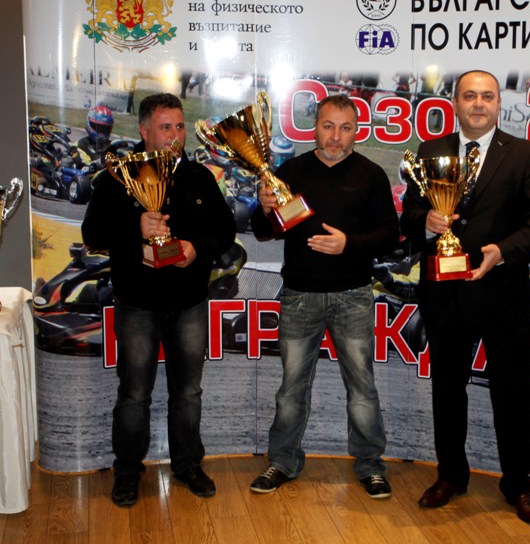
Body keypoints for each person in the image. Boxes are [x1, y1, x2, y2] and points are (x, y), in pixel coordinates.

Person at [400, 70, 530, 525]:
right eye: (469, 96)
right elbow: (409, 212)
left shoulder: (525, 154)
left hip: (503, 296)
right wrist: (425, 221)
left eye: (487, 96)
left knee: (513, 395)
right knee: (448, 392)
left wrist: (502, 251)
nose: (478, 104)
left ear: (498, 104)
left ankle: (518, 486)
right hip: (445, 294)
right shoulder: (431, 152)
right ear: (455, 102)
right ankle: (450, 475)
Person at [81, 93, 236, 507]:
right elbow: (92, 234)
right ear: (144, 130)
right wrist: (134, 227)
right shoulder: (116, 178)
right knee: (134, 393)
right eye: (166, 127)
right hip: (137, 303)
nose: (175, 136)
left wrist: (196, 248)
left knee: (188, 392)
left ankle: (187, 465)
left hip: (189, 302)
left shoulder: (199, 177)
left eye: (180, 126)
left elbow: (224, 231)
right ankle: (128, 470)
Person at [249, 94, 399, 499]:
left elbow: (390, 234)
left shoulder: (371, 175)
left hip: (354, 296)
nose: (336, 136)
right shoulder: (291, 171)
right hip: (300, 296)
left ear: (357, 131)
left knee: (362, 389)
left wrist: (349, 244)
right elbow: (263, 231)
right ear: (314, 127)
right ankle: (282, 461)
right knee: (291, 389)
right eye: (328, 126)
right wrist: (263, 207)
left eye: (345, 128)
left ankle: (370, 465)